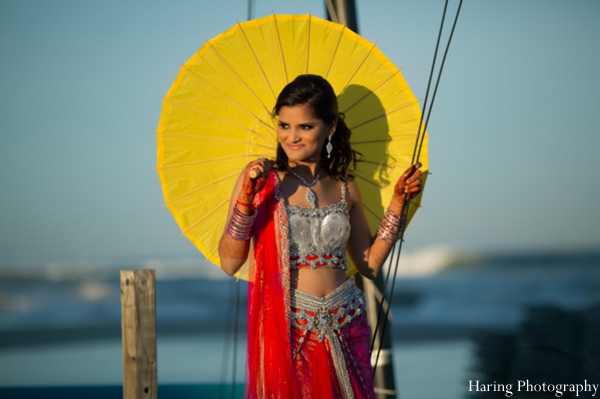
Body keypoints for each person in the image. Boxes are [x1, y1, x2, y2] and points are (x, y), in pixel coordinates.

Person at [218, 74, 422, 399]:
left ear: (330, 127)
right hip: (291, 329)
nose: (291, 137)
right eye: (284, 125)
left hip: (347, 322)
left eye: (305, 127)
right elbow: (230, 262)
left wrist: (398, 203)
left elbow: (368, 264)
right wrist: (246, 203)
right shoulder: (260, 179)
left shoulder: (345, 185)